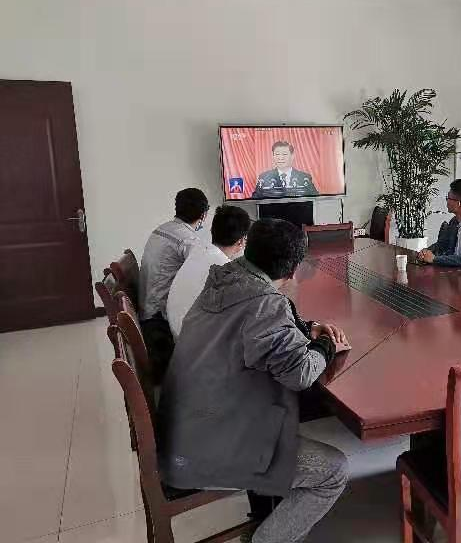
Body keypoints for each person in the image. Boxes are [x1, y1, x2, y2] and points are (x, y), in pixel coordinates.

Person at [157, 218, 350, 543]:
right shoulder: (265, 303)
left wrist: (305, 328)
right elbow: (301, 373)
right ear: (293, 271)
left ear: (248, 248)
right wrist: (325, 345)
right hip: (208, 447)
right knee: (333, 471)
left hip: (184, 425)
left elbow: (257, 330)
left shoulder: (224, 278)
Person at [138, 187, 209, 381]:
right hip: (158, 324)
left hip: (147, 310)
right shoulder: (187, 239)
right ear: (203, 215)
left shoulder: (162, 229)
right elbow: (205, 270)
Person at [166, 204, 251, 338]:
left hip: (176, 331)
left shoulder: (199, 252)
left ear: (212, 230)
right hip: (193, 342)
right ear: (241, 241)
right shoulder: (224, 270)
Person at [253, 141, 319, 198]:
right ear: (273, 156)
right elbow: (254, 201)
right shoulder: (264, 178)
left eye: (284, 154)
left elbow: (316, 199)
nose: (281, 158)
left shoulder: (304, 178)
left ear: (292, 156)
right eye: (277, 154)